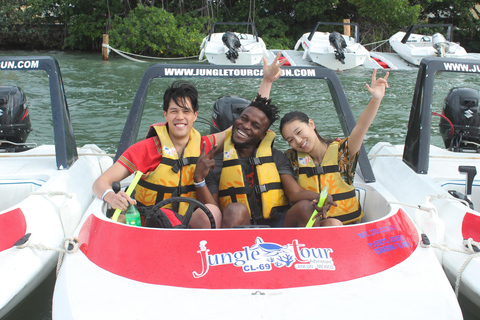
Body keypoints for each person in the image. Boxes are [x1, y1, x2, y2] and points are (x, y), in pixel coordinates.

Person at [92, 53, 286, 229]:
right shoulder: (146, 149)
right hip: (150, 222)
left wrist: (267, 82)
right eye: (174, 111)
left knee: (213, 211)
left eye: (186, 112)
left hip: (186, 226)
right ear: (165, 114)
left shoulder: (204, 145)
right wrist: (110, 195)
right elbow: (101, 182)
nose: (180, 117)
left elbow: (249, 120)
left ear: (195, 115)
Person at [195, 94, 341, 228]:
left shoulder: (276, 157)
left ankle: (306, 254)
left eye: (255, 126)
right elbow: (213, 212)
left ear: (262, 135)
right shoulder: (215, 163)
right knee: (235, 209)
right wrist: (199, 179)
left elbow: (294, 193)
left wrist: (320, 197)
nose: (246, 126)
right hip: (238, 226)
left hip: (277, 224)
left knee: (306, 207)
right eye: (243, 119)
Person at [279, 69, 389, 224]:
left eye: (299, 132)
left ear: (311, 124)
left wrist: (376, 100)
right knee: (329, 221)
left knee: (334, 223)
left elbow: (361, 127)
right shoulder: (291, 158)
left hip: (343, 227)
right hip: (310, 222)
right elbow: (293, 194)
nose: (298, 141)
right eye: (290, 140)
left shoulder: (343, 152)